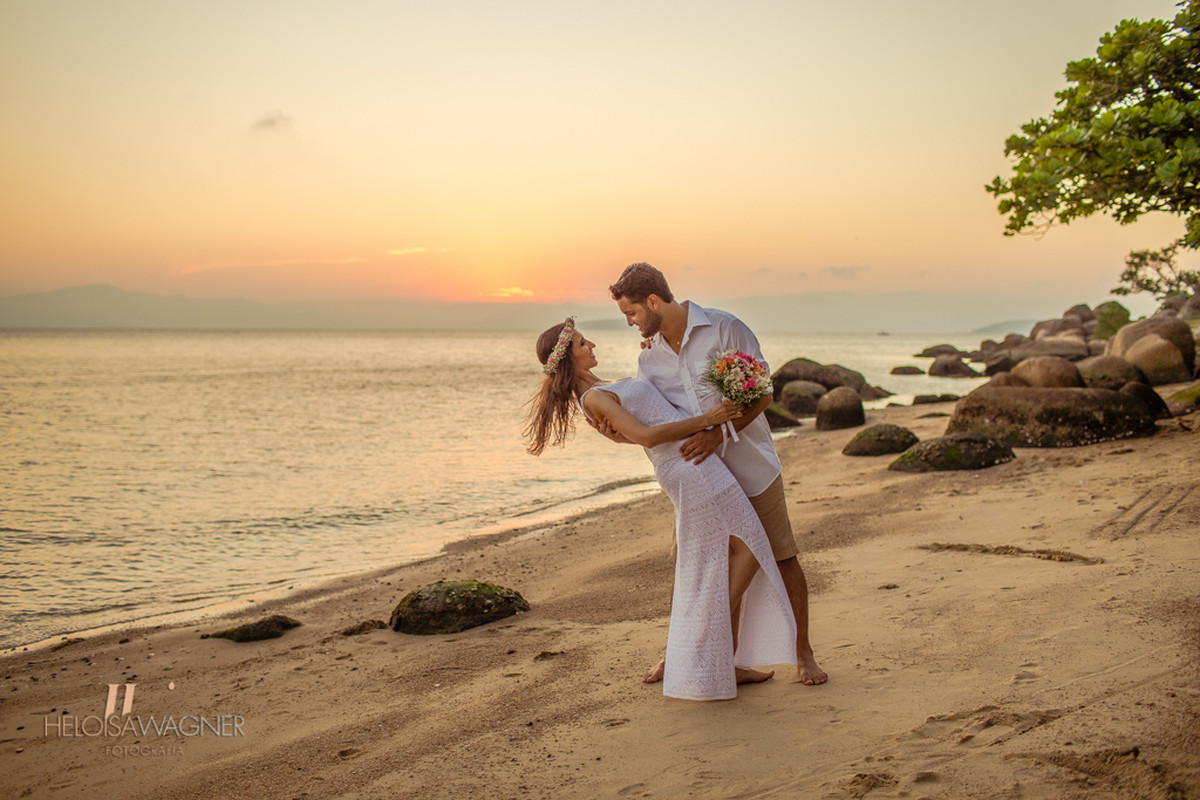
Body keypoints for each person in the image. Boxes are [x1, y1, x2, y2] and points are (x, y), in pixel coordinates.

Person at [524, 317, 797, 701]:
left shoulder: (602, 388)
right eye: (584, 344)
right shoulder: (594, 398)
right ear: (570, 357)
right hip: (689, 467)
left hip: (693, 464)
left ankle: (709, 653)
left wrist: (656, 357)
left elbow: (644, 424)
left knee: (716, 555)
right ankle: (699, 641)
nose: (593, 346)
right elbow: (648, 436)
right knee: (750, 547)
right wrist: (709, 419)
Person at [607, 262, 827, 686]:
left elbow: (762, 394)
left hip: (750, 465)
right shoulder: (649, 358)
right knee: (695, 566)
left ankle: (804, 652)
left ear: (653, 301)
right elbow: (651, 417)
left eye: (632, 313)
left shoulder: (726, 329)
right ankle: (702, 656)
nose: (631, 323)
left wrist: (717, 435)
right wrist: (609, 420)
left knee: (781, 558)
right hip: (700, 478)